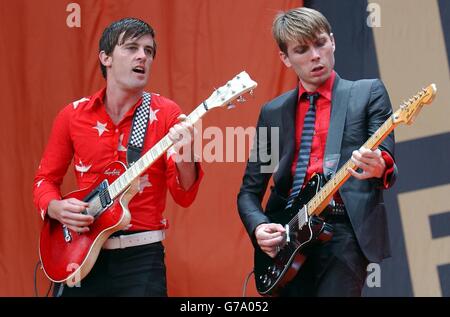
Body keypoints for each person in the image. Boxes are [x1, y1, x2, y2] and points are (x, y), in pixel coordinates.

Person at [33, 17, 203, 296]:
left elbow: (184, 195)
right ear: (106, 58)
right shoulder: (72, 115)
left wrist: (186, 154)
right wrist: (54, 208)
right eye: (132, 48)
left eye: (149, 51)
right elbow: (44, 180)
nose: (142, 56)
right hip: (79, 254)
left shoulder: (167, 113)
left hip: (141, 259)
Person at [237, 7, 397, 297]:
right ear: (285, 58)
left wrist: (379, 166)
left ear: (333, 41)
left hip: (341, 229)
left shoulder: (367, 93)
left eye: (320, 43)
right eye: (302, 49)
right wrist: (259, 227)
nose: (315, 55)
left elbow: (385, 158)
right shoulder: (273, 112)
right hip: (287, 237)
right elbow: (249, 192)